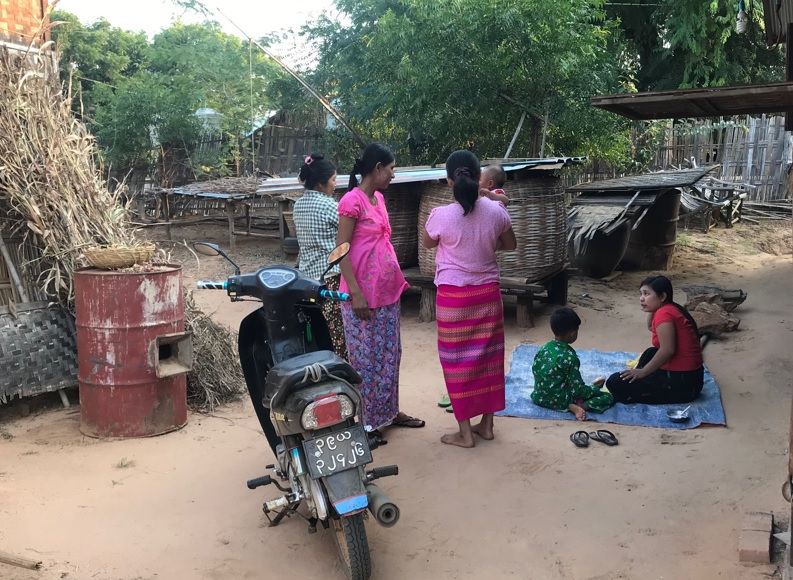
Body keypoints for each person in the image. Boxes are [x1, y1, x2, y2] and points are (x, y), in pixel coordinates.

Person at [422, 149, 517, 448]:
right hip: (487, 295)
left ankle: (465, 433)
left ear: (449, 181)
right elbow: (510, 245)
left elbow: (428, 243)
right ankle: (487, 426)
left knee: (456, 364)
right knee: (490, 360)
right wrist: (484, 243)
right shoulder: (496, 211)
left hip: (453, 299)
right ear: (479, 178)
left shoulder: (440, 215)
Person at [336, 142, 424, 442]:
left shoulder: (379, 199)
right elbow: (341, 251)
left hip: (387, 293)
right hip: (363, 296)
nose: (393, 174)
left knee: (390, 356)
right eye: (391, 168)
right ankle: (367, 423)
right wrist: (356, 293)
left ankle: (390, 411)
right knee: (366, 360)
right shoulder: (352, 201)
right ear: (377, 169)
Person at [605, 275, 704, 404]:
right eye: (641, 294)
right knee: (650, 352)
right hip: (692, 379)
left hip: (684, 386)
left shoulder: (665, 314)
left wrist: (643, 372)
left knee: (614, 382)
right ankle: (639, 379)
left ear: (662, 297)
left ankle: (636, 389)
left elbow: (668, 350)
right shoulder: (670, 308)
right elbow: (651, 327)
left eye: (646, 294)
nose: (641, 298)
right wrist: (653, 308)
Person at [292, 153, 346, 359]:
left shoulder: (298, 206)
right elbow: (349, 233)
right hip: (330, 278)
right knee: (336, 332)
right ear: (320, 184)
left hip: (306, 279)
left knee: (315, 329)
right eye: (333, 179)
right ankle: (339, 368)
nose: (335, 184)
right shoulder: (330, 206)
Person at [530, 307, 614, 420]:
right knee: (608, 397)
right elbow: (577, 390)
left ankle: (570, 404)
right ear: (572, 333)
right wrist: (594, 390)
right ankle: (577, 406)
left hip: (539, 397)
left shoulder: (544, 348)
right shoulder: (570, 357)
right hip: (560, 400)